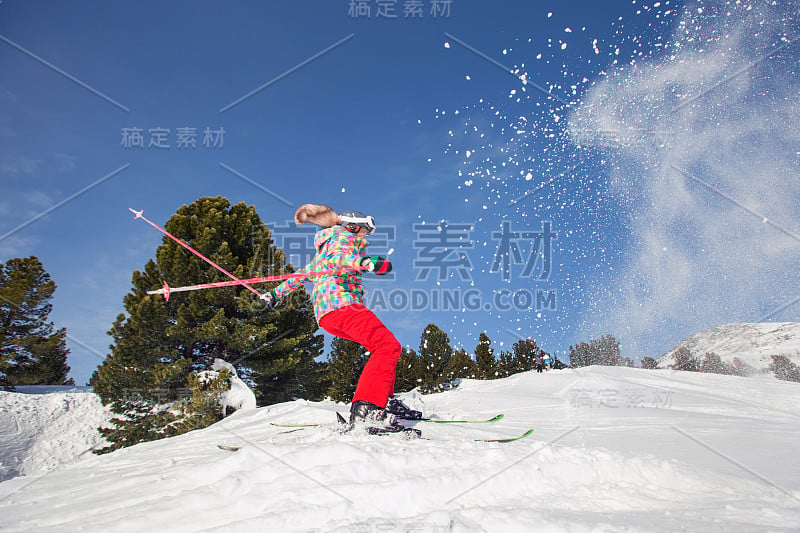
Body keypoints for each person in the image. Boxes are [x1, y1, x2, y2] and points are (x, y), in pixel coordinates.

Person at [260, 205, 418, 434]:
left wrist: (274, 295)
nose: (366, 237)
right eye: (364, 231)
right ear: (353, 226)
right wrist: (363, 263)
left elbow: (298, 277)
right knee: (387, 346)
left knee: (380, 347)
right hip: (343, 306)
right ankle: (369, 410)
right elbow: (339, 260)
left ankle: (386, 400)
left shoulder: (323, 249)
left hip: (327, 315)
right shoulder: (342, 239)